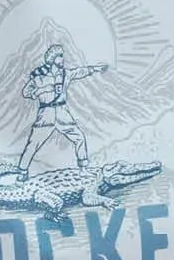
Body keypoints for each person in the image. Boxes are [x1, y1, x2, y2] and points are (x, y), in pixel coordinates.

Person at [18, 44, 108, 173]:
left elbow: (80, 72)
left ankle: (83, 167)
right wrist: (39, 92)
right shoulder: (39, 77)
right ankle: (22, 172)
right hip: (45, 114)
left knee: (79, 138)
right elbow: (26, 92)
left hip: (62, 113)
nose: (62, 59)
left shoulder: (65, 74)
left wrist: (95, 69)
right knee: (33, 144)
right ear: (53, 59)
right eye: (59, 56)